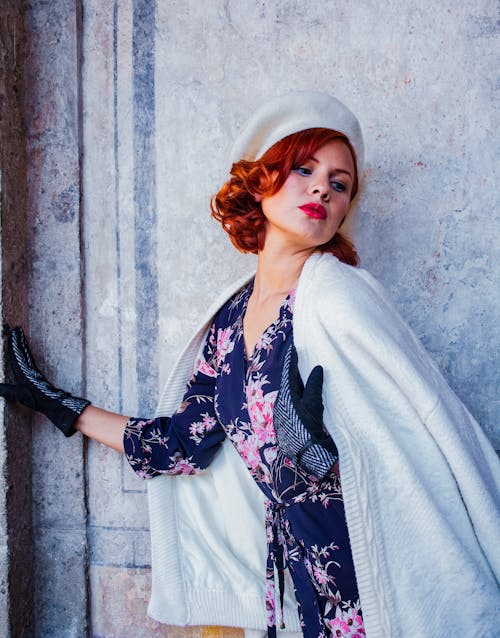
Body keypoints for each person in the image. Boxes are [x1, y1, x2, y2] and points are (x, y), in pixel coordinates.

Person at [1, 92, 499, 638]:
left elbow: (418, 441)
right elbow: (181, 445)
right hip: (312, 585)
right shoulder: (230, 321)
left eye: (339, 184)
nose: (321, 189)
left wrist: (318, 454)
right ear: (260, 181)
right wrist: (61, 407)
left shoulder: (340, 297)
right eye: (303, 168)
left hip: (383, 573)